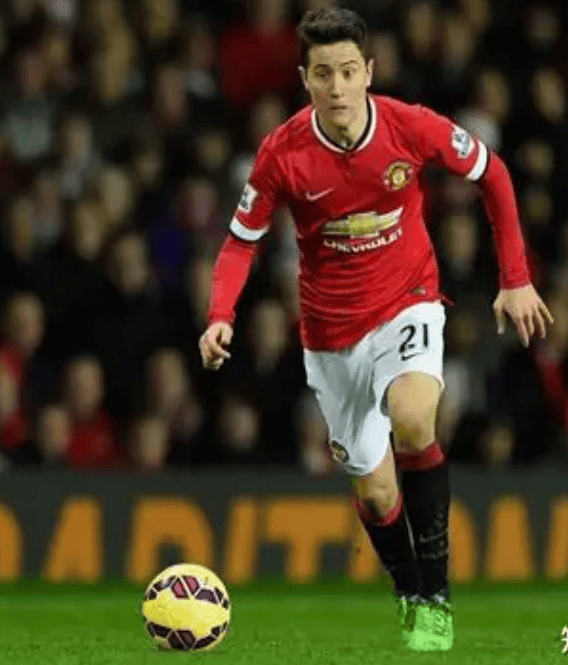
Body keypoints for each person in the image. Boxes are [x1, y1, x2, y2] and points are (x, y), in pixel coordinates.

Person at [198, 7, 554, 652]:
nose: (336, 87)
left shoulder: (408, 126)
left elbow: (493, 174)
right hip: (331, 335)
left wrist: (516, 277)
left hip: (408, 301)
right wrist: (220, 316)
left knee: (415, 417)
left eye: (347, 72)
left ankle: (437, 597)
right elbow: (239, 243)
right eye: (323, 74)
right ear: (305, 80)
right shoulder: (282, 153)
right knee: (376, 488)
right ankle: (409, 589)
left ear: (369, 71)